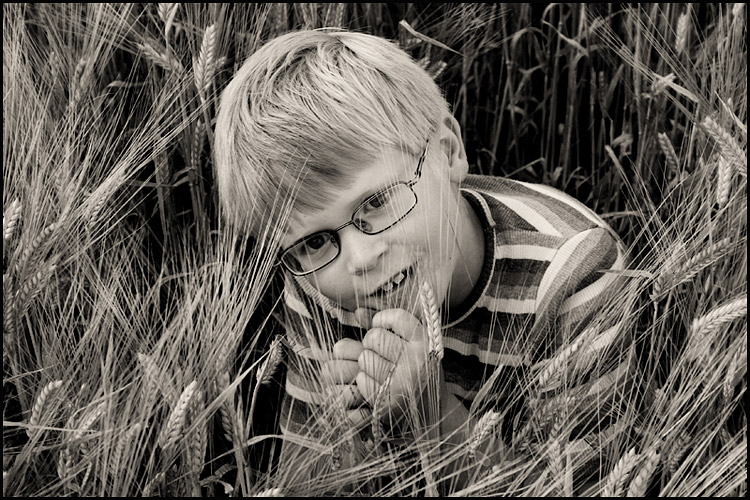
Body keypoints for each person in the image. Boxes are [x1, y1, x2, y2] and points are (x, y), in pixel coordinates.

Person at [214, 28, 629, 493]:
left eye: (377, 202)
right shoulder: (315, 279)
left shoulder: (575, 277)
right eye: (313, 242)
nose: (360, 258)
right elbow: (303, 475)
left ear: (449, 152)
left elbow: (583, 486)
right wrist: (345, 437)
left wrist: (431, 413)